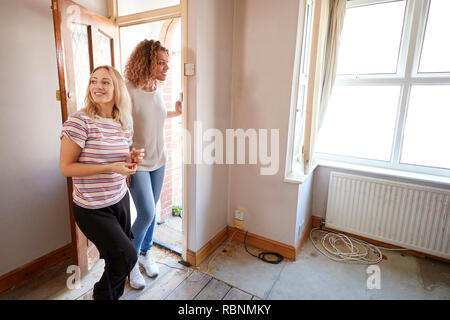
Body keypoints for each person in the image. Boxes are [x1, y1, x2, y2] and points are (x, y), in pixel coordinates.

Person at [59, 65, 144, 300]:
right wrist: (110, 167)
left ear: (117, 87)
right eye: (93, 81)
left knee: (115, 259)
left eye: (105, 82)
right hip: (91, 207)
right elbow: (66, 167)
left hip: (119, 198)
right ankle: (99, 296)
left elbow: (120, 159)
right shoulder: (79, 122)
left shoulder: (123, 121)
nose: (98, 87)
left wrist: (130, 159)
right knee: (126, 257)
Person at [124, 39, 182, 289]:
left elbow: (154, 116)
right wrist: (124, 160)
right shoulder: (127, 90)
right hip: (138, 162)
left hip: (160, 159)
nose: (166, 67)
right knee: (146, 212)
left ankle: (147, 253)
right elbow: (120, 128)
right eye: (160, 62)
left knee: (154, 210)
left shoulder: (156, 87)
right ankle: (130, 262)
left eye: (167, 63)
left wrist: (176, 113)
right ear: (146, 61)